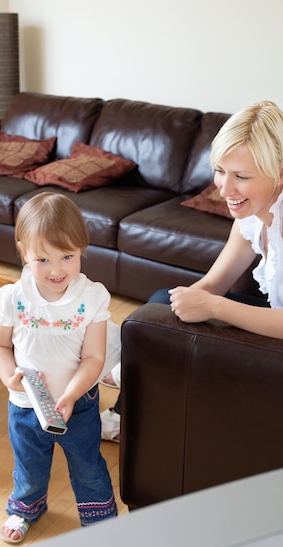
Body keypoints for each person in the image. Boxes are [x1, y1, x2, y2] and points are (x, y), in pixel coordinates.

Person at [101, 100, 283, 434]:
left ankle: (123, 414)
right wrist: (159, 322)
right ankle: (127, 381)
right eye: (220, 171)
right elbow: (214, 283)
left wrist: (214, 307)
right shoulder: (251, 219)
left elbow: (217, 299)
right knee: (162, 301)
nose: (224, 189)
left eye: (241, 176)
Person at [0, 192, 120, 544]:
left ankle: (100, 518)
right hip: (26, 406)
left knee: (87, 465)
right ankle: (25, 508)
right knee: (29, 466)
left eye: (68, 256)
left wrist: (73, 394)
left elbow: (93, 358)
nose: (57, 270)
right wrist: (9, 378)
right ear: (23, 251)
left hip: (79, 404)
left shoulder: (92, 297)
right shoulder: (12, 297)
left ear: (82, 248)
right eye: (43, 259)